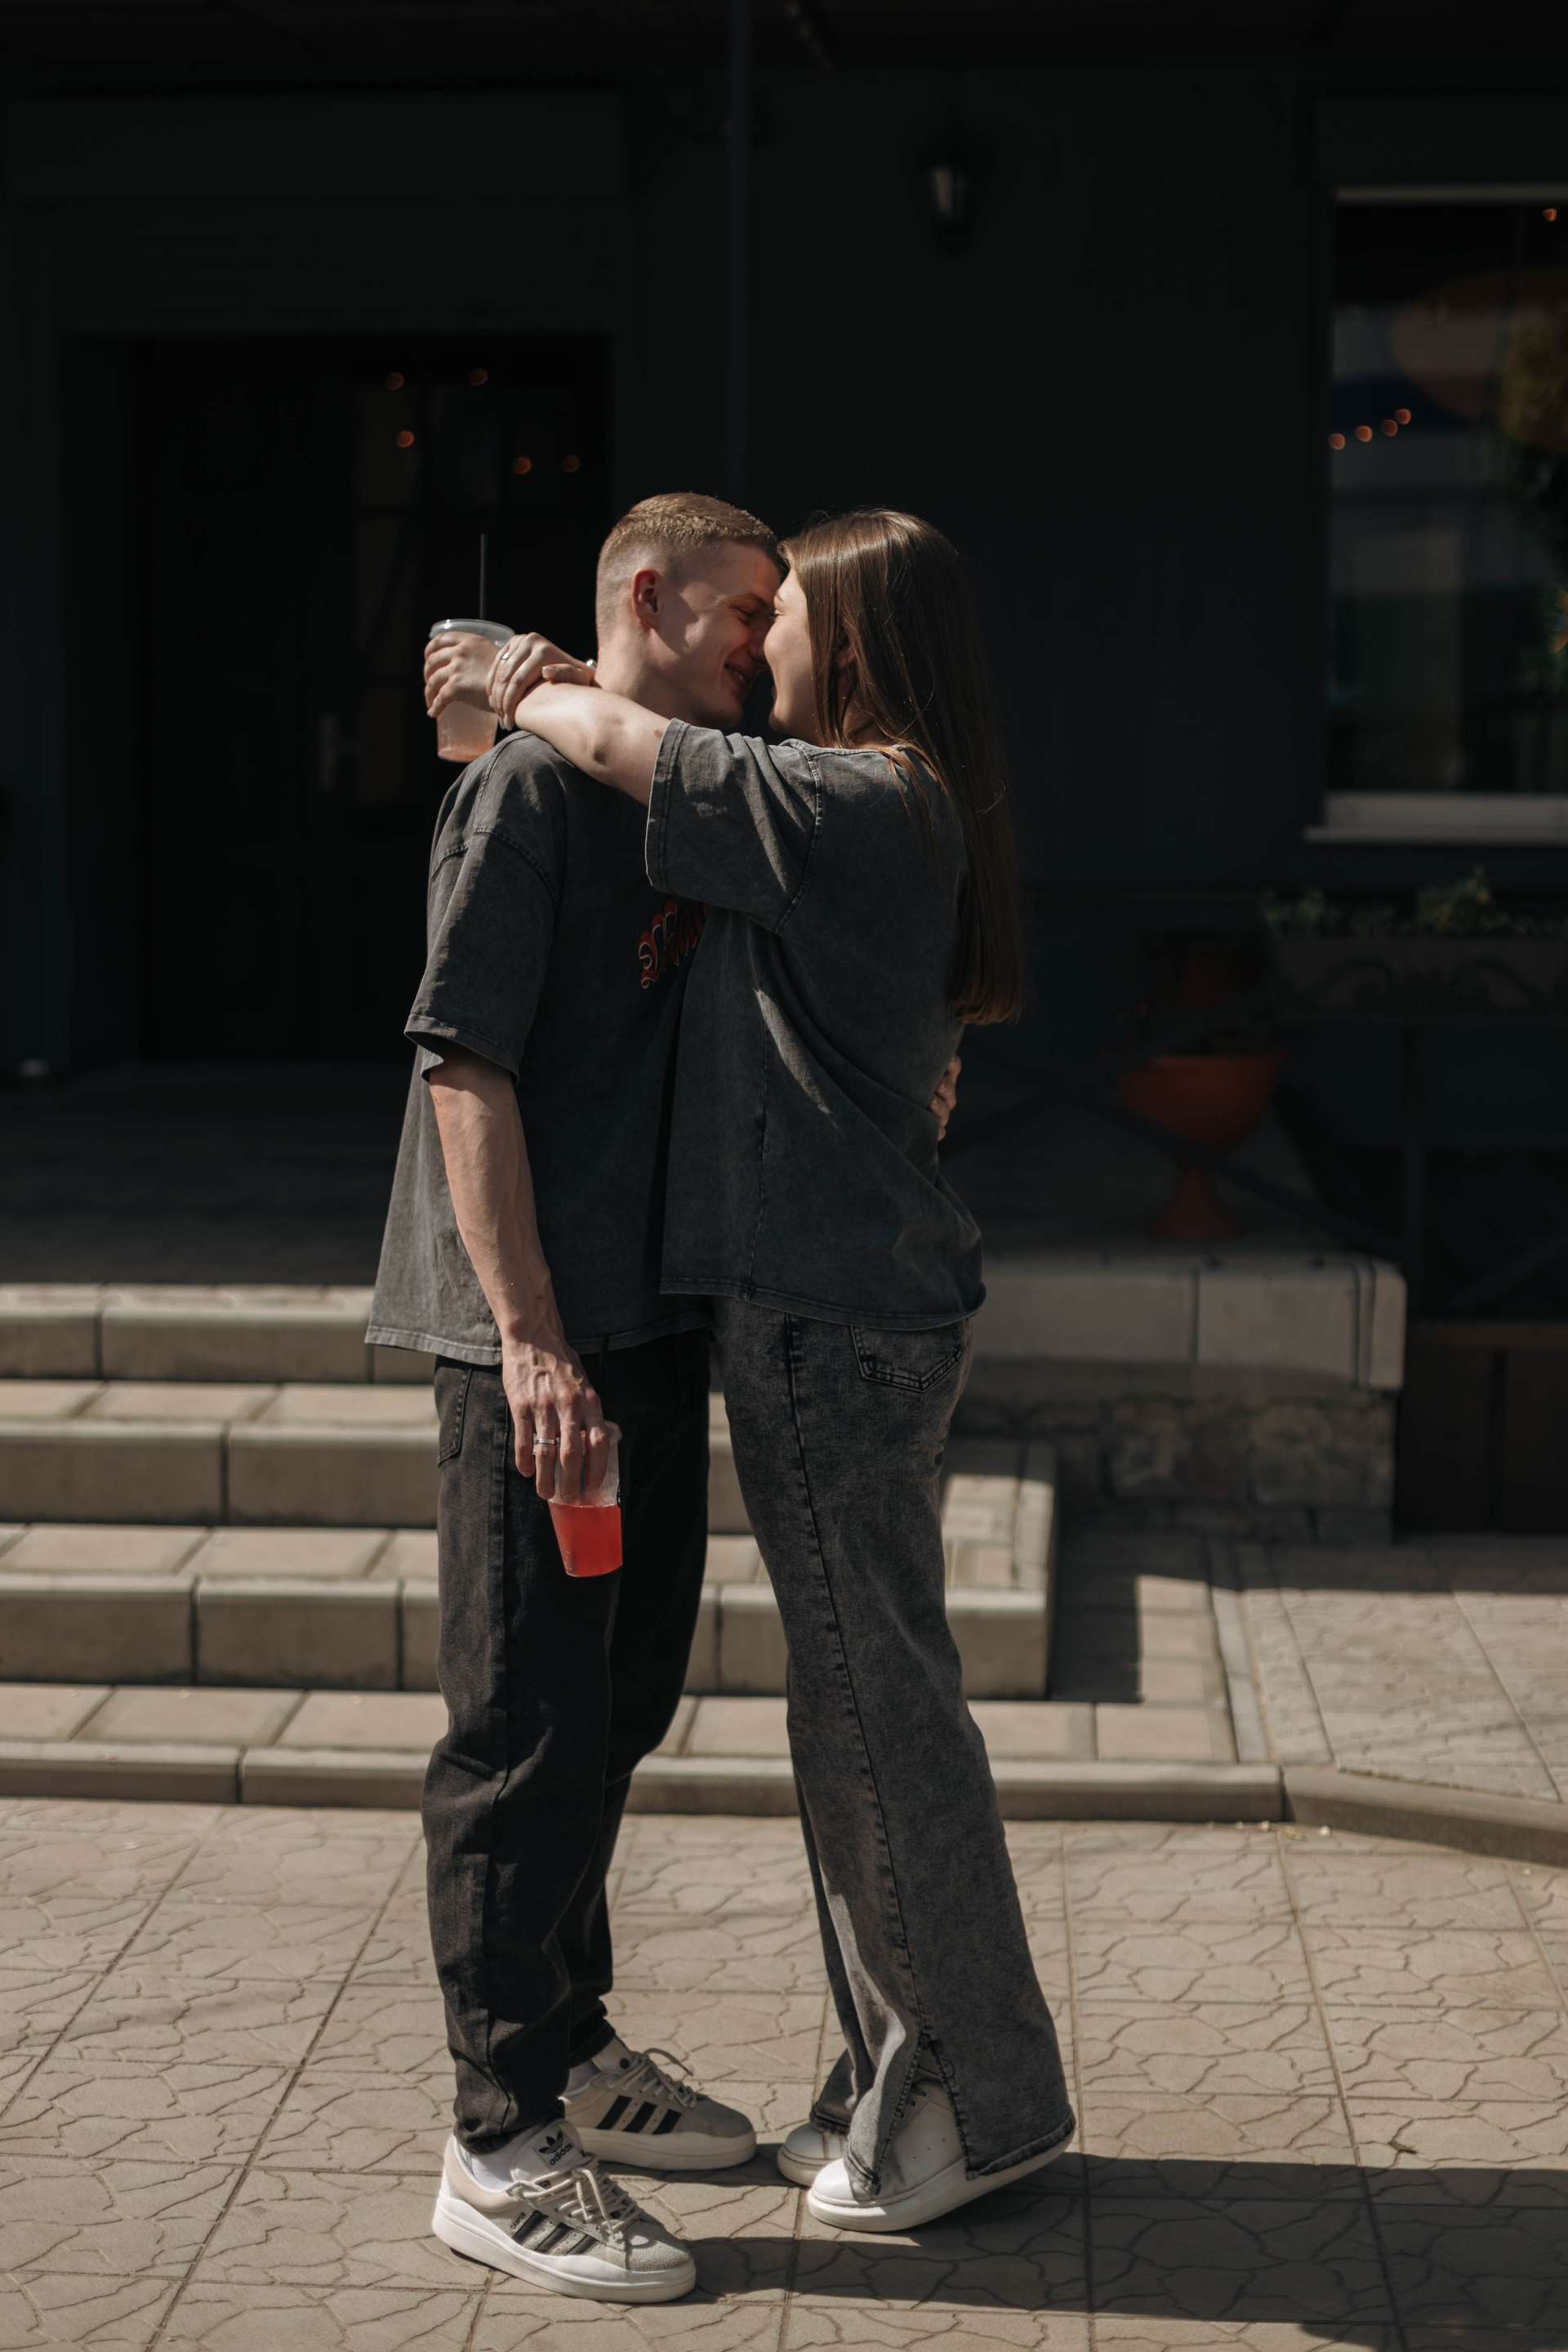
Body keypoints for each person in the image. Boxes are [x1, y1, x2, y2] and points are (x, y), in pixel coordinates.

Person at [500, 508, 1076, 2237]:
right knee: (864, 1714)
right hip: (850, 1308)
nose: (764, 643)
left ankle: (967, 2094)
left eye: (791, 612)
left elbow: (628, 745)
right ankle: (906, 2064)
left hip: (834, 1322)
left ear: (862, 638)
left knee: (875, 1723)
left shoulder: (851, 802)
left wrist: (523, 678)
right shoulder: (871, 806)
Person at [368, 492, 786, 2305]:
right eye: (744, 611)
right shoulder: (531, 797)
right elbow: (463, 1066)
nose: (763, 644)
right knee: (523, 1731)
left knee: (618, 1704)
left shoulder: (661, 782)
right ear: (649, 595)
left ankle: (575, 2047)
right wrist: (531, 1342)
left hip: (646, 1322)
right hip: (534, 1349)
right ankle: (498, 2141)